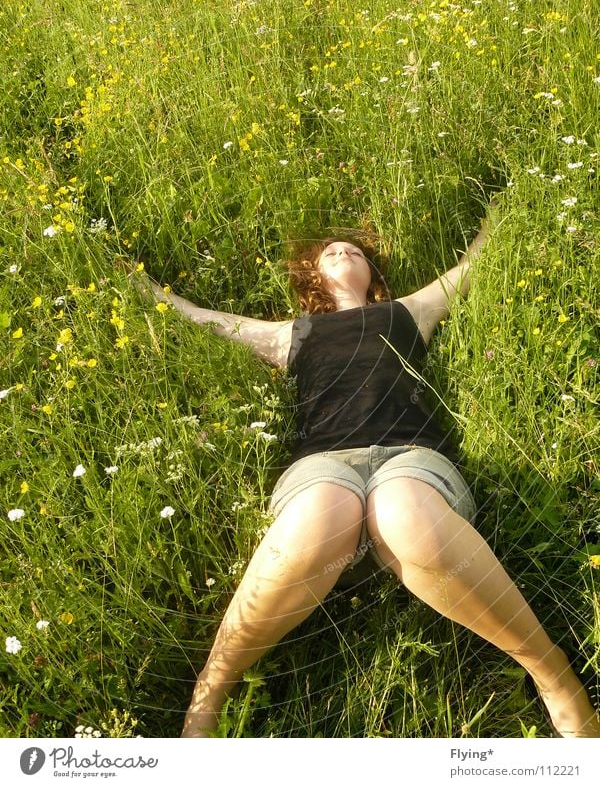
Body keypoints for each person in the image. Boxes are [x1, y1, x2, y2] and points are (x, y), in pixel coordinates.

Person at [123, 212, 600, 739]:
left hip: (411, 457)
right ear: (313, 280)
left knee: (401, 511)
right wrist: (141, 284)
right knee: (322, 511)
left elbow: (469, 268)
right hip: (324, 464)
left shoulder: (406, 311)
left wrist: (501, 214)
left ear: (372, 272)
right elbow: (203, 318)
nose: (343, 253)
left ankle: (551, 674)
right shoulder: (292, 334)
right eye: (330, 252)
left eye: (353, 250)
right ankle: (211, 689)